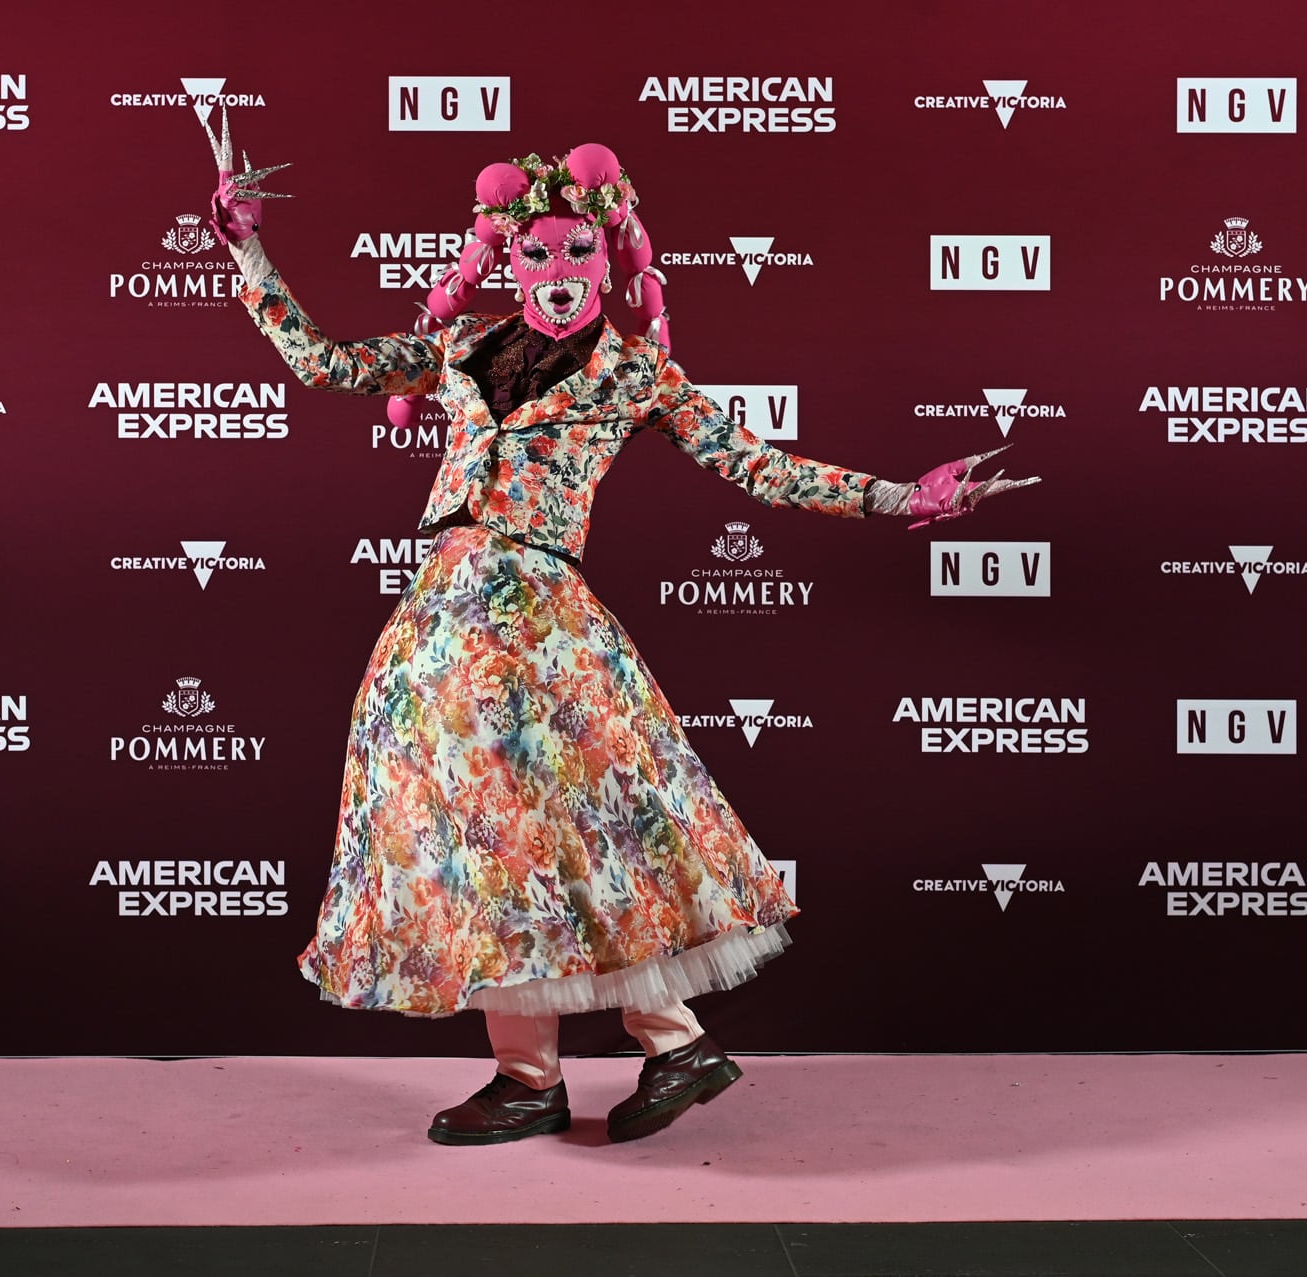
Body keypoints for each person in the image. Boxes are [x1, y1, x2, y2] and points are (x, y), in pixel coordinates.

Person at [201, 117, 1037, 1145]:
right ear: (508, 260)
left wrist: (902, 495)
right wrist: (244, 247)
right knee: (484, 844)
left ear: (612, 254)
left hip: (543, 625)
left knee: (599, 820)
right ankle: (531, 1075)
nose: (556, 270)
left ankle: (672, 1038)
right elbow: (325, 364)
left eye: (576, 250)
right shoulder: (458, 348)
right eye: (536, 252)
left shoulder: (636, 374)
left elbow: (757, 466)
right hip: (437, 628)